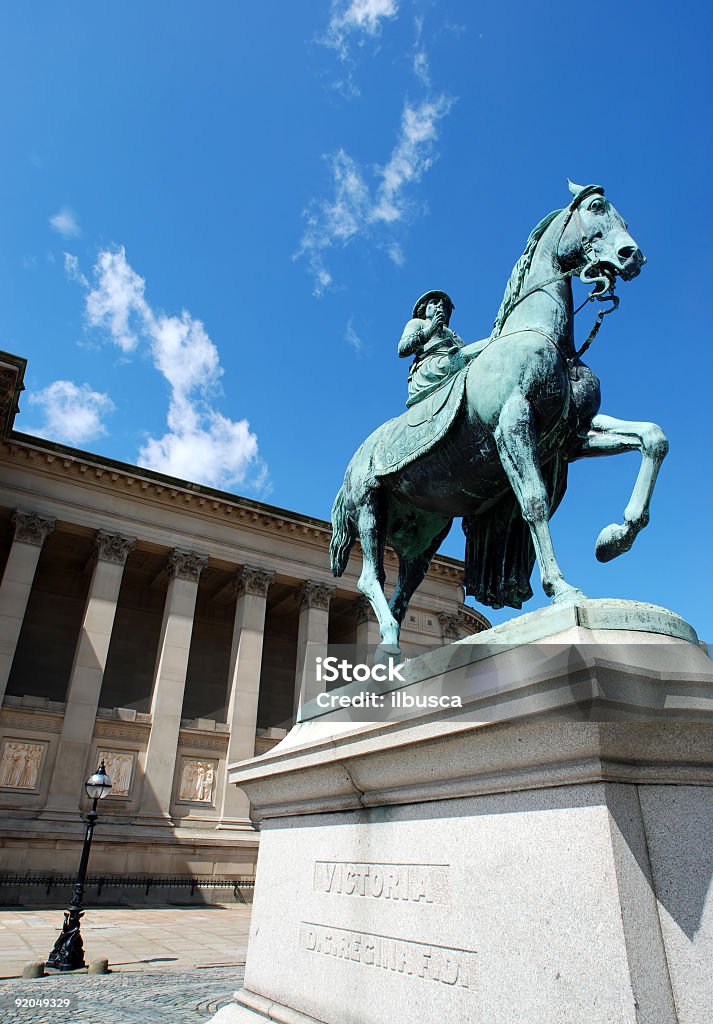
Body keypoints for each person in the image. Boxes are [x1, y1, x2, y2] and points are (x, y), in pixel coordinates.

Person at [398, 291, 466, 407]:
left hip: (454, 359)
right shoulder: (418, 323)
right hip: (430, 366)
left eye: (443, 305)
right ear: (424, 309)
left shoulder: (455, 335)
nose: (439, 306)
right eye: (434, 303)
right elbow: (402, 349)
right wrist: (430, 330)